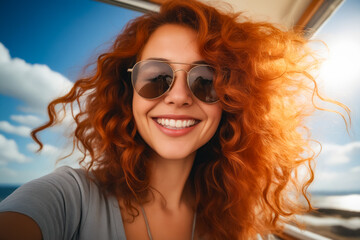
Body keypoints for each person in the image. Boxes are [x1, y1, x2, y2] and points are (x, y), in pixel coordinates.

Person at [0, 0, 349, 239]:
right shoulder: (66, 197)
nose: (179, 96)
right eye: (156, 76)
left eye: (206, 81)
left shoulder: (234, 221)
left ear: (231, 102)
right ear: (128, 92)